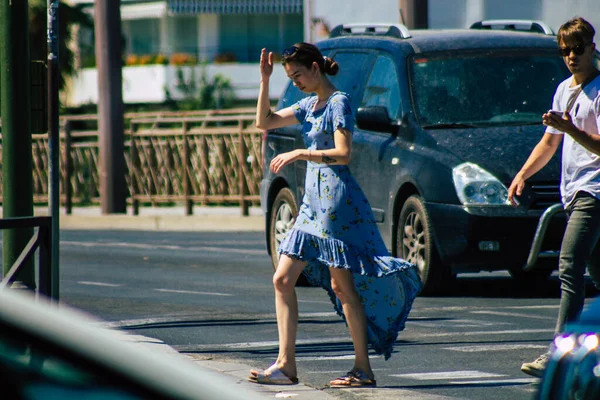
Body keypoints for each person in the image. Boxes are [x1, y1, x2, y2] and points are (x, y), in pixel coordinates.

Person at [247, 42, 423, 388]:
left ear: (315, 68)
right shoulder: (309, 105)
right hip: (311, 205)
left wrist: (301, 152)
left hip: (334, 203)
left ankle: (363, 368)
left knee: (342, 287)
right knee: (282, 279)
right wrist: (265, 81)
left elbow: (343, 154)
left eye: (298, 74)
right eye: (290, 76)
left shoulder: (339, 102)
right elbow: (263, 121)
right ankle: (286, 364)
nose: (295, 81)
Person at [508, 17, 600, 378]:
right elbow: (549, 143)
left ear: (592, 47)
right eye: (565, 51)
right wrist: (522, 175)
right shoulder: (564, 90)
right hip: (572, 192)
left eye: (578, 49)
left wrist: (570, 129)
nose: (571, 57)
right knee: (596, 272)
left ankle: (560, 354)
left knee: (569, 266)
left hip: (594, 190)